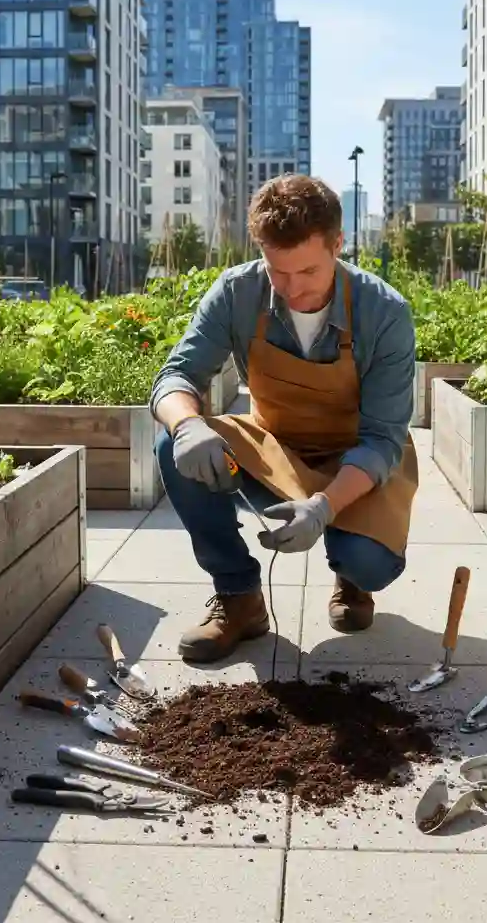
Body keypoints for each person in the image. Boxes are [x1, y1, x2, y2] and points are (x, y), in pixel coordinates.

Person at [149, 174, 419, 662]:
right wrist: (188, 425)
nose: (292, 290)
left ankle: (351, 577)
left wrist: (322, 507)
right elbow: (175, 378)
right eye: (278, 272)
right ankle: (238, 596)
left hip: (355, 460)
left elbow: (382, 440)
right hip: (274, 449)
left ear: (338, 244)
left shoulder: (385, 313)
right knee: (172, 445)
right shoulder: (236, 292)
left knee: (369, 563)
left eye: (308, 272)